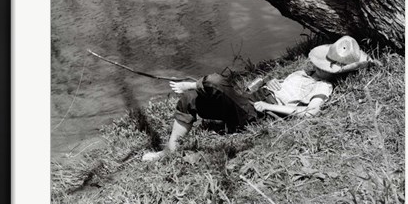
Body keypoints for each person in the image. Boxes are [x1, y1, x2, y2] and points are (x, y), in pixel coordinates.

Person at [142, 35, 373, 162]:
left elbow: (311, 112)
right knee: (190, 99)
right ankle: (169, 151)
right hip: (250, 99)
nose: (319, 68)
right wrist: (276, 84)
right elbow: (287, 89)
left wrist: (270, 105)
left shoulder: (323, 85)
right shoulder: (304, 72)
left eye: (327, 68)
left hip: (255, 112)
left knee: (213, 81)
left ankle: (191, 84)